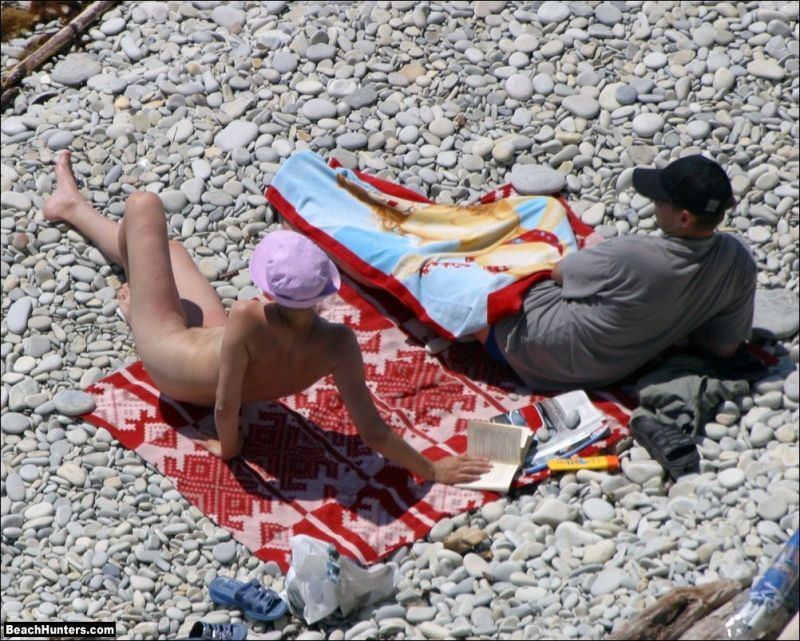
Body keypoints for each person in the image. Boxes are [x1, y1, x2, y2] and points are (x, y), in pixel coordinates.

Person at [43, 151, 491, 484]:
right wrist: (433, 470)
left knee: (144, 207)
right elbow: (373, 432)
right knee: (172, 253)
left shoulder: (248, 316)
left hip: (170, 362)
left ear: (269, 291)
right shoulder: (338, 343)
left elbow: (225, 405)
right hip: (212, 354)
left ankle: (87, 228)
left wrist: (229, 449)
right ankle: (115, 259)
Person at [479, 154, 757, 390]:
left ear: (684, 218)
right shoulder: (739, 261)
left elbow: (560, 273)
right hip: (611, 373)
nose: (654, 205)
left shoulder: (633, 253)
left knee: (477, 277)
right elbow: (723, 347)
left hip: (540, 350)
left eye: (660, 201)